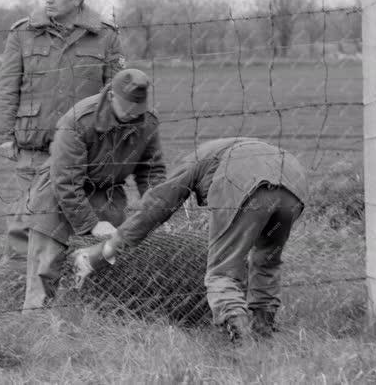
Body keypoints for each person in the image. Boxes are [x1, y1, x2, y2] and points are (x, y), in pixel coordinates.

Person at [72, 137, 308, 343]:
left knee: (222, 273)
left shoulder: (193, 163)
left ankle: (243, 342)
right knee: (266, 260)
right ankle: (263, 333)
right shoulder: (224, 150)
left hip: (245, 183)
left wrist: (107, 249)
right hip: (293, 184)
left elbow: (155, 208)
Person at [0, 0, 125, 270]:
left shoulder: (104, 36)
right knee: (30, 219)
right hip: (35, 146)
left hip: (87, 150)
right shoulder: (24, 33)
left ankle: (91, 279)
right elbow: (7, 87)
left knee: (94, 216)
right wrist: (4, 136)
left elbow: (115, 94)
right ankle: (16, 284)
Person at [22, 69, 166, 311]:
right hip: (57, 195)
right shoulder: (78, 120)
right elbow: (66, 180)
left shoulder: (147, 122)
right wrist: (90, 224)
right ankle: (35, 331)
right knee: (46, 268)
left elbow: (151, 171)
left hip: (107, 196)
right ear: (111, 96)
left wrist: (158, 211)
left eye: (137, 108)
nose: (132, 114)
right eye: (127, 107)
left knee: (107, 264)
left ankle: (89, 327)